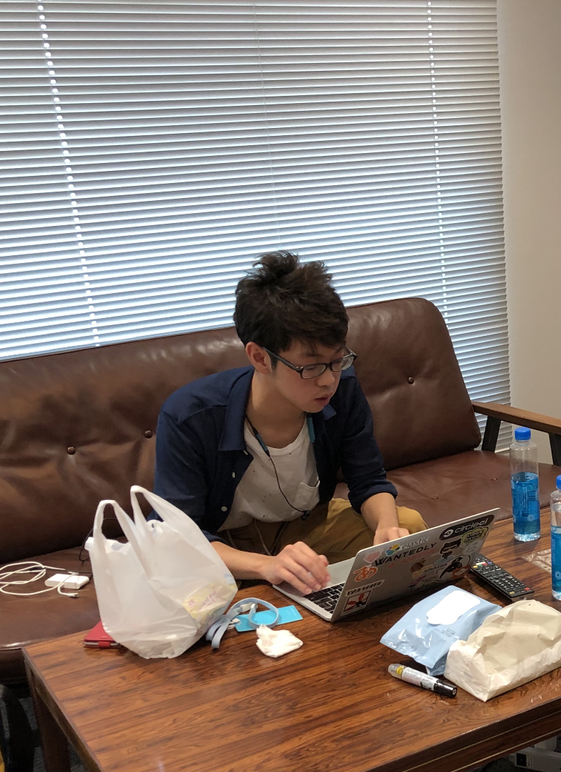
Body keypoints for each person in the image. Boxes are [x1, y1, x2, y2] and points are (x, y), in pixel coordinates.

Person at [155, 251, 426, 594]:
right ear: (259, 357)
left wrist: (387, 530)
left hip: (305, 526)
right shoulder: (190, 415)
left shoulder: (343, 389)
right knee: (175, 576)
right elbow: (180, 535)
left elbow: (369, 480)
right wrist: (266, 565)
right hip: (224, 544)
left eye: (337, 360)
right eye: (310, 366)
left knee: (407, 528)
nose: (328, 380)